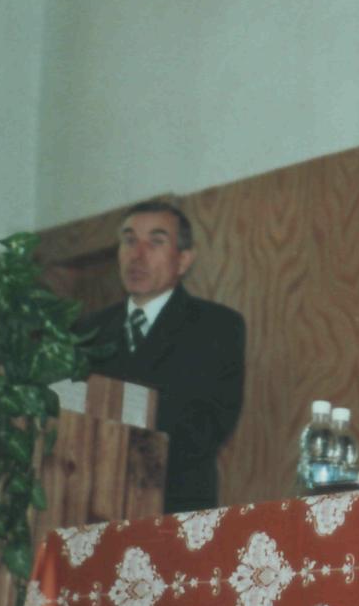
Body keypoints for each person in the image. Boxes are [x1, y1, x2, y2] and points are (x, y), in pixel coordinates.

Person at [81, 200, 246, 513]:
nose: (137, 254)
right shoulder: (87, 330)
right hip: (92, 502)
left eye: (155, 242)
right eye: (129, 240)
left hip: (172, 505)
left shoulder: (217, 327)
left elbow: (209, 426)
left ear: (183, 260)